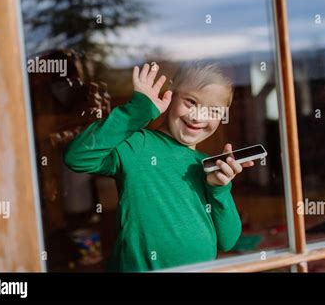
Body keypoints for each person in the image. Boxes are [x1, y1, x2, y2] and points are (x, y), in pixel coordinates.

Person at [63, 62, 254, 271]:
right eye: (191, 102)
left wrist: (219, 189)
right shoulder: (137, 144)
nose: (199, 116)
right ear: (170, 95)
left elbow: (228, 240)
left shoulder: (208, 166)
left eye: (214, 111)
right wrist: (137, 110)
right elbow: (77, 157)